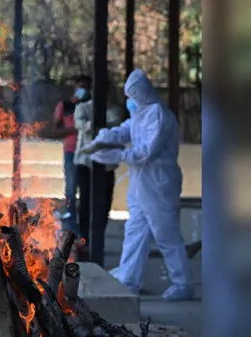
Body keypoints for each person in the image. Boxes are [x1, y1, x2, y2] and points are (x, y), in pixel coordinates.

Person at [90, 69, 193, 301]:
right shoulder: (140, 112)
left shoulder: (157, 115)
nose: (130, 101)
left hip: (158, 182)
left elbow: (147, 152)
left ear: (142, 93)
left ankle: (182, 283)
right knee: (135, 231)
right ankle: (129, 279)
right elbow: (126, 130)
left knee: (166, 233)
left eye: (133, 95)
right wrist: (106, 137)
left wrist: (117, 155)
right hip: (140, 182)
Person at [72, 75, 121, 264]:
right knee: (84, 204)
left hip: (106, 165)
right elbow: (81, 125)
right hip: (85, 163)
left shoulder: (113, 110)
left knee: (104, 204)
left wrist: (100, 125)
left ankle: (98, 238)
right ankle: (85, 241)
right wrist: (97, 124)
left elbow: (113, 124)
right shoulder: (82, 107)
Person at [51, 85, 79, 234]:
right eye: (80, 86)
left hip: (90, 154)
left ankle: (85, 231)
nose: (82, 90)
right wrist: (76, 129)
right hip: (71, 152)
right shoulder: (66, 106)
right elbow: (55, 131)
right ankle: (71, 229)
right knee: (71, 190)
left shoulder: (93, 105)